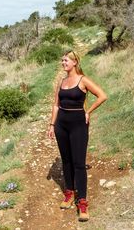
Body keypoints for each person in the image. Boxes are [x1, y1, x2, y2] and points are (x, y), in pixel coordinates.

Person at [48, 50, 108, 222]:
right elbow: (56, 105)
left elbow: (102, 96)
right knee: (66, 161)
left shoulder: (83, 80)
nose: (63, 62)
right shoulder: (62, 81)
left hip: (78, 125)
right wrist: (52, 125)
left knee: (79, 164)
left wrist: (88, 112)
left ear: (75, 62)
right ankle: (69, 193)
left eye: (66, 60)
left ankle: (82, 202)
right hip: (61, 125)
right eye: (62, 60)